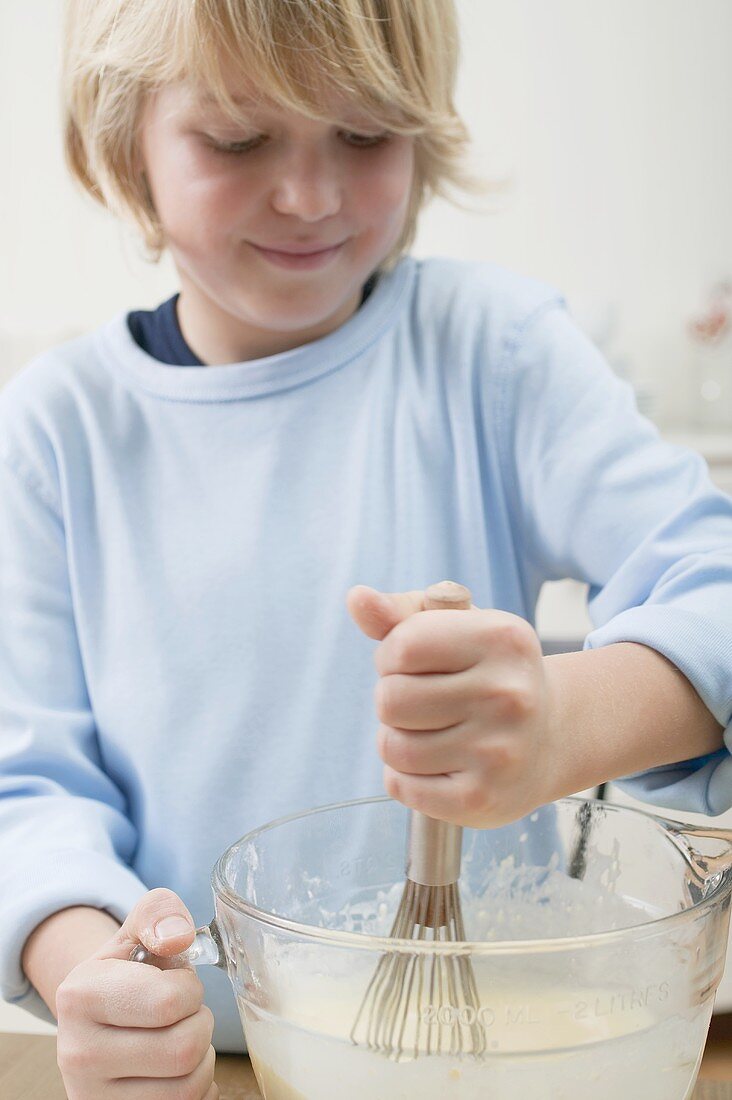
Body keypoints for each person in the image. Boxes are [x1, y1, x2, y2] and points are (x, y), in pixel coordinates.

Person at [1, 0, 730, 1096]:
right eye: (239, 139)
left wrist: (562, 726)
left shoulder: (496, 356)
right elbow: (27, 789)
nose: (310, 196)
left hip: (481, 1056)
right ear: (124, 143)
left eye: (365, 134)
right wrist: (87, 974)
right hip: (199, 1070)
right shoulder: (59, 431)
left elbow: (712, 585)